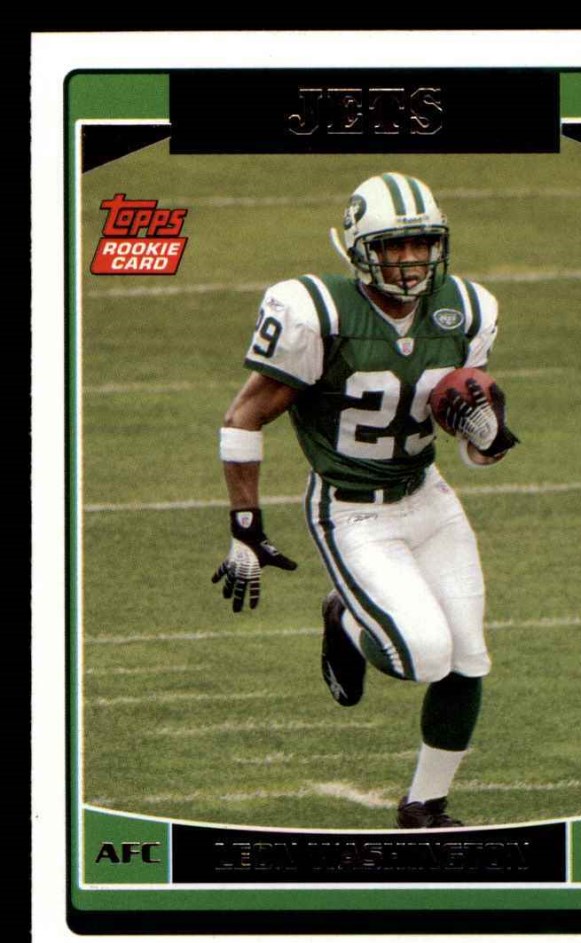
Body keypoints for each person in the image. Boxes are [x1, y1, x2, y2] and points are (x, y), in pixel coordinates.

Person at [212, 172, 518, 828]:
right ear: (358, 250)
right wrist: (245, 526)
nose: (409, 260)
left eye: (420, 243)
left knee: (468, 656)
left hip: (428, 497)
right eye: (392, 246)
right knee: (423, 655)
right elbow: (243, 418)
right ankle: (346, 621)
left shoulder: (466, 309)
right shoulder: (318, 313)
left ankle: (425, 806)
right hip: (352, 510)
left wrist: (487, 436)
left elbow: (466, 441)